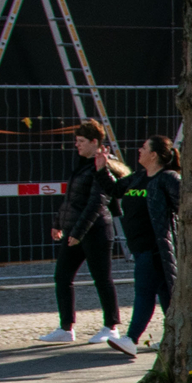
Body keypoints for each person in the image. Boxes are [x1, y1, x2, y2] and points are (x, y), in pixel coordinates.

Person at [37, 120, 127, 345]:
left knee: (102, 278)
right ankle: (66, 328)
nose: (76, 145)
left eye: (81, 141)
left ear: (95, 142)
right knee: (62, 277)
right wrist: (59, 222)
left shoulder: (102, 165)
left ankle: (111, 326)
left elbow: (96, 203)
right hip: (75, 230)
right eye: (76, 141)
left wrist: (78, 232)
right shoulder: (81, 164)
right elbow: (71, 199)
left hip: (95, 231)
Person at [98, 135, 180, 358]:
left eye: (143, 148)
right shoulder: (139, 177)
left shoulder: (168, 178)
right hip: (139, 247)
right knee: (167, 295)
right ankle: (176, 339)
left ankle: (131, 339)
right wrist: (102, 169)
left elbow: (183, 207)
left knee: (144, 292)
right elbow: (115, 191)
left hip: (155, 247)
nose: (139, 150)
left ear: (154, 154)